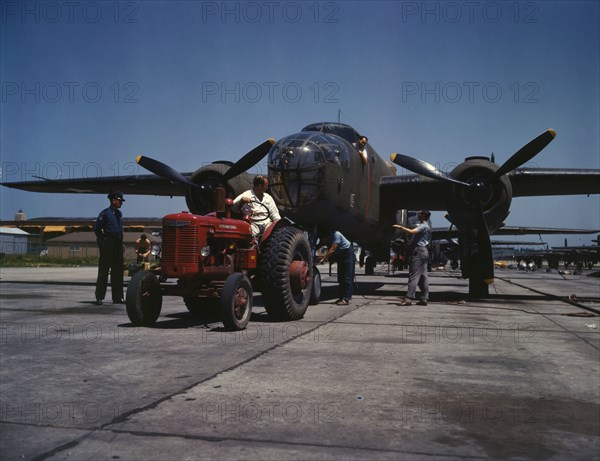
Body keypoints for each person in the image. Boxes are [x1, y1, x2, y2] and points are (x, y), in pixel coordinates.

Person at [93, 191, 126, 305]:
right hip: (108, 242)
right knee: (104, 270)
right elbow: (97, 229)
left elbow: (120, 229)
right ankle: (99, 297)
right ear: (113, 200)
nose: (121, 203)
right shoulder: (105, 213)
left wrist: (121, 243)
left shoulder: (119, 214)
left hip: (118, 242)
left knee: (118, 271)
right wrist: (103, 243)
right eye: (120, 200)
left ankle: (118, 297)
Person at [393, 210, 431, 306]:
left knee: (413, 276)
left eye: (420, 213)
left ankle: (408, 298)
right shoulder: (426, 226)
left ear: (423, 216)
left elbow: (412, 232)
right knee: (423, 276)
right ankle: (424, 298)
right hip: (424, 251)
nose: (418, 214)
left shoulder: (423, 226)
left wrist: (400, 227)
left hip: (418, 251)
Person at [318, 229, 355, 305]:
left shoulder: (336, 235)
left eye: (324, 239)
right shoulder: (328, 237)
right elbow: (320, 244)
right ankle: (341, 298)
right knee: (340, 277)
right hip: (340, 255)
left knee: (347, 277)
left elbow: (333, 249)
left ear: (327, 237)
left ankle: (346, 299)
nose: (323, 241)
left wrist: (324, 259)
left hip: (347, 254)